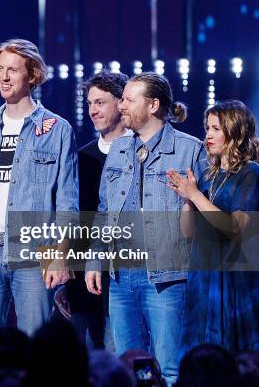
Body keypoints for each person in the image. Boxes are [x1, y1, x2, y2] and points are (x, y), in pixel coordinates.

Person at [0, 39, 78, 341]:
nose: (4, 77)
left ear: (32, 75)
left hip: (34, 252)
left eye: (13, 70)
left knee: (35, 348)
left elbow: (67, 200)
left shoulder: (57, 129)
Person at [85, 72, 207, 384]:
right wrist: (94, 261)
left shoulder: (189, 150)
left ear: (153, 105)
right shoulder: (118, 150)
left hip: (167, 277)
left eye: (127, 99)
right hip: (121, 276)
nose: (121, 105)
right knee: (130, 368)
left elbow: (207, 219)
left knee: (167, 368)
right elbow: (103, 211)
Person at [165, 99, 259, 352]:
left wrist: (195, 195)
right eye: (207, 128)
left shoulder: (250, 173)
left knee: (230, 354)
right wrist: (186, 198)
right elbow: (188, 231)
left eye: (216, 129)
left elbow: (234, 229)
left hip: (232, 280)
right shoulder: (209, 175)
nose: (208, 135)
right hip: (202, 276)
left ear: (235, 130)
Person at [55, 71, 130, 349]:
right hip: (83, 284)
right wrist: (63, 281)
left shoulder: (140, 152)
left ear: (121, 103)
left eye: (100, 102)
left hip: (126, 278)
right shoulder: (81, 156)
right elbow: (67, 215)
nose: (93, 110)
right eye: (89, 103)